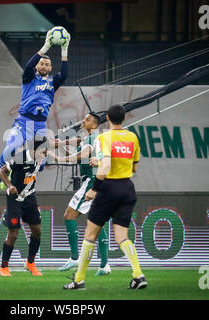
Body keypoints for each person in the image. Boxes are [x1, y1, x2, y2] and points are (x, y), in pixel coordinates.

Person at [63, 104, 147, 290]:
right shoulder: (133, 137)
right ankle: (138, 275)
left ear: (107, 119)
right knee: (122, 236)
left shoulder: (103, 138)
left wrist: (94, 189)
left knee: (90, 235)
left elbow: (105, 167)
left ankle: (79, 280)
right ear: (124, 119)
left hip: (108, 187)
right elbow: (134, 167)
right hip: (127, 188)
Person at [0, 28, 70, 199]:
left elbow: (64, 74)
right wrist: (46, 46)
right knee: (10, 149)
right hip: (23, 122)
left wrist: (64, 50)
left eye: (47, 64)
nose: (44, 65)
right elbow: (28, 65)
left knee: (39, 164)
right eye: (41, 63)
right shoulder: (29, 78)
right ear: (37, 66)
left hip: (40, 126)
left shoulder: (52, 82)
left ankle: (15, 176)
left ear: (50, 68)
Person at [48, 113, 110, 276]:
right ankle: (104, 265)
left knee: (69, 215)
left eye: (88, 120)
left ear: (95, 125)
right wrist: (61, 142)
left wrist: (59, 159)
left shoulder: (91, 140)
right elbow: (79, 141)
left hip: (91, 182)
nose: (84, 121)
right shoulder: (94, 137)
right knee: (97, 223)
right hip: (101, 182)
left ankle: (75, 257)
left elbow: (81, 155)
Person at [0, 138, 49, 277]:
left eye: (46, 151)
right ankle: (4, 268)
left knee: (37, 231)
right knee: (13, 234)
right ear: (35, 150)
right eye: (43, 151)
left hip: (30, 197)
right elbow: (1, 172)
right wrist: (10, 186)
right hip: (15, 198)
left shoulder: (41, 158)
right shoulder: (20, 158)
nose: (45, 154)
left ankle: (30, 263)